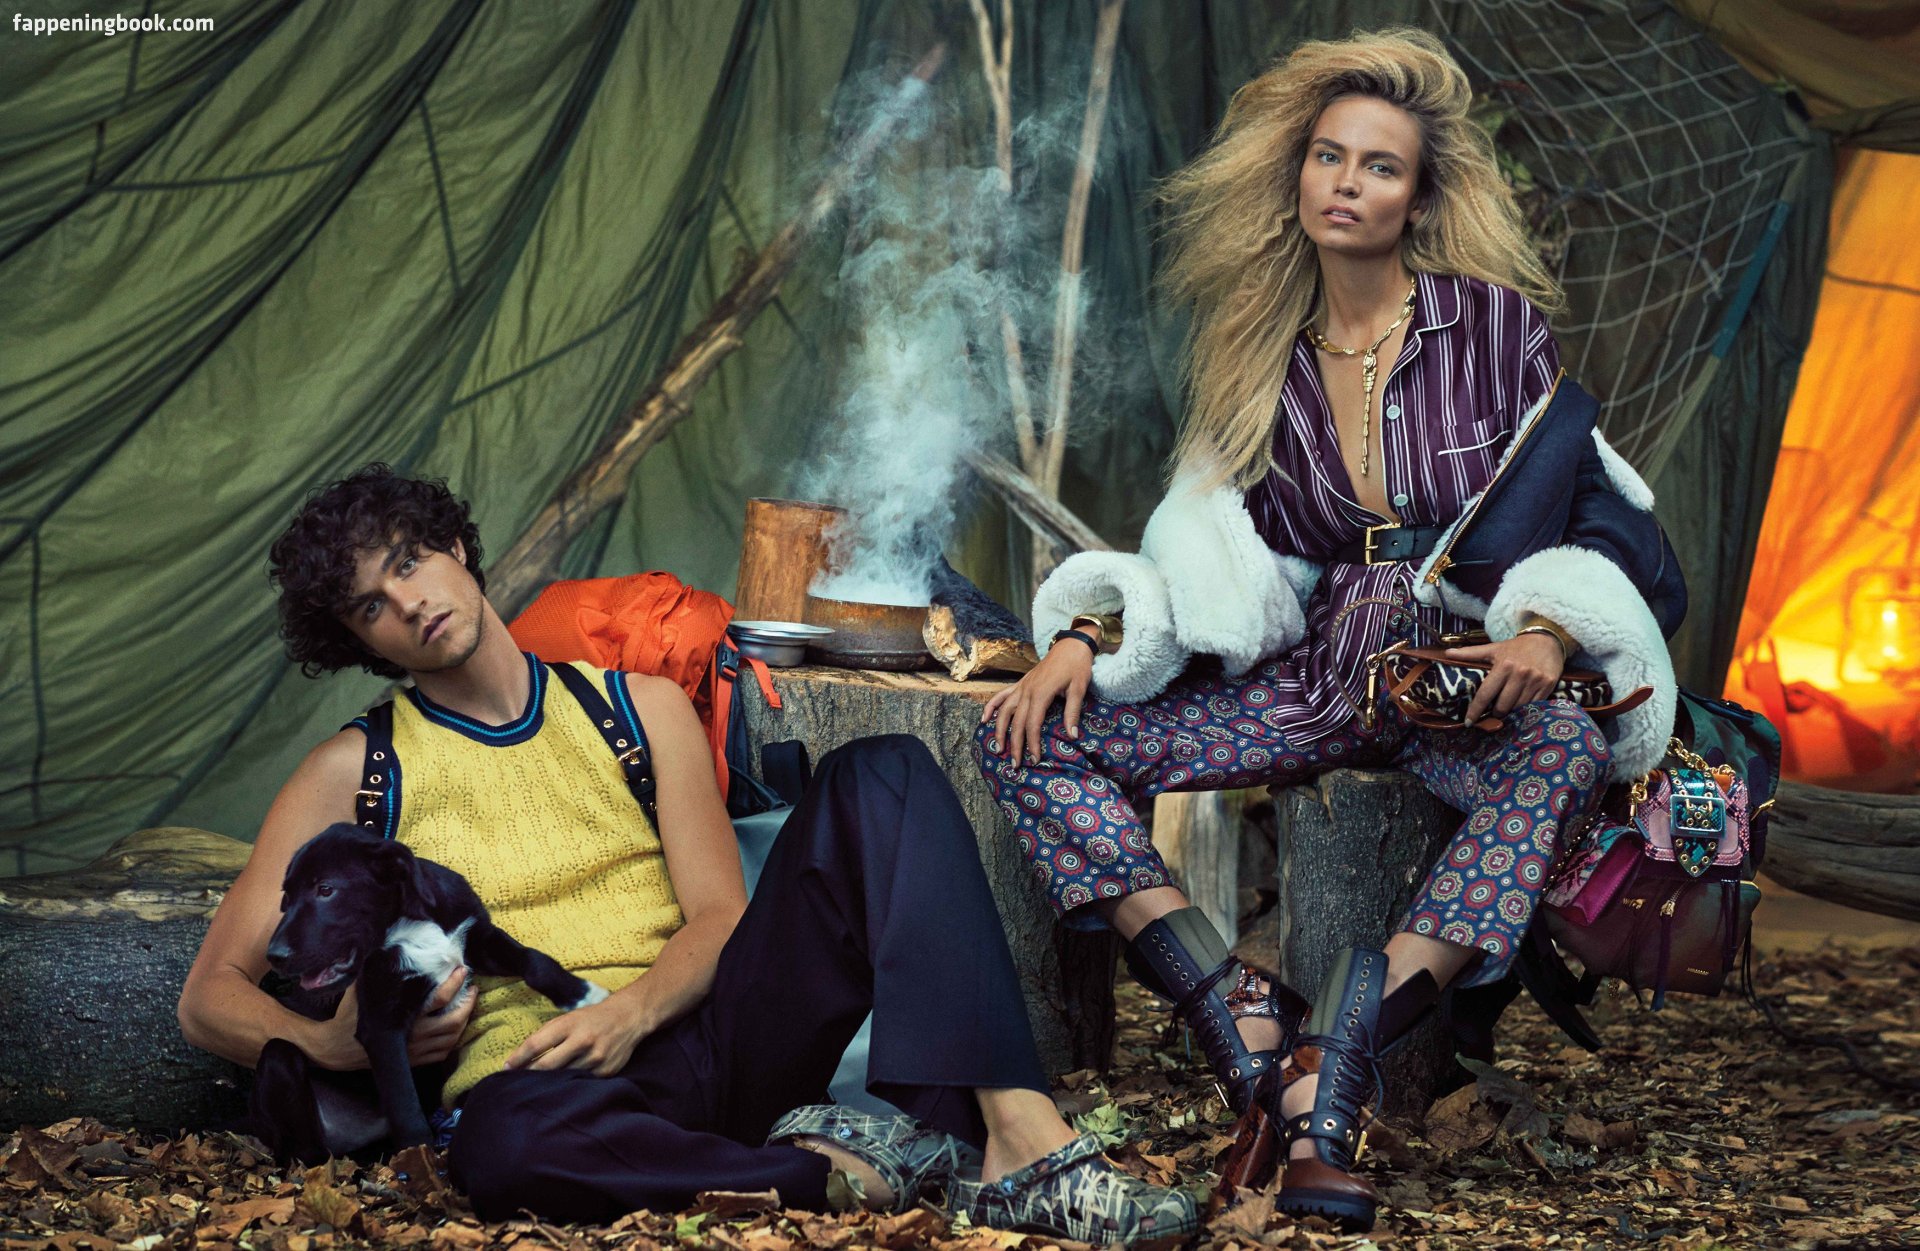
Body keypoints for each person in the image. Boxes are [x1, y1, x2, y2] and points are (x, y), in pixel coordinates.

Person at [975, 28, 1685, 1233]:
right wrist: (1084, 635)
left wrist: (1552, 635)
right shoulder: (1256, 354)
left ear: (1420, 199)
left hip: (1459, 677)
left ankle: (1335, 1054)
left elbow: (1600, 508)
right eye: (1328, 156)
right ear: (1295, 172)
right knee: (1030, 739)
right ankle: (1239, 1012)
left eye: (1380, 166)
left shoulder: (1493, 330)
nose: (1347, 183)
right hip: (1315, 674)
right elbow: (1190, 547)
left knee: (1564, 748)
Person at [177, 465, 1195, 1242]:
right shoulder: (356, 768)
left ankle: (1024, 1140)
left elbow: (719, 916)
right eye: (370, 604)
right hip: (542, 1085)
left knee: (883, 772)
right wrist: (334, 1046)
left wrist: (631, 1013)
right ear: (362, 642)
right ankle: (839, 1176)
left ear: (452, 546)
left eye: (408, 562)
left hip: (713, 1039)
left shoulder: (635, 708)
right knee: (501, 1145)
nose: (407, 602)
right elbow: (208, 996)